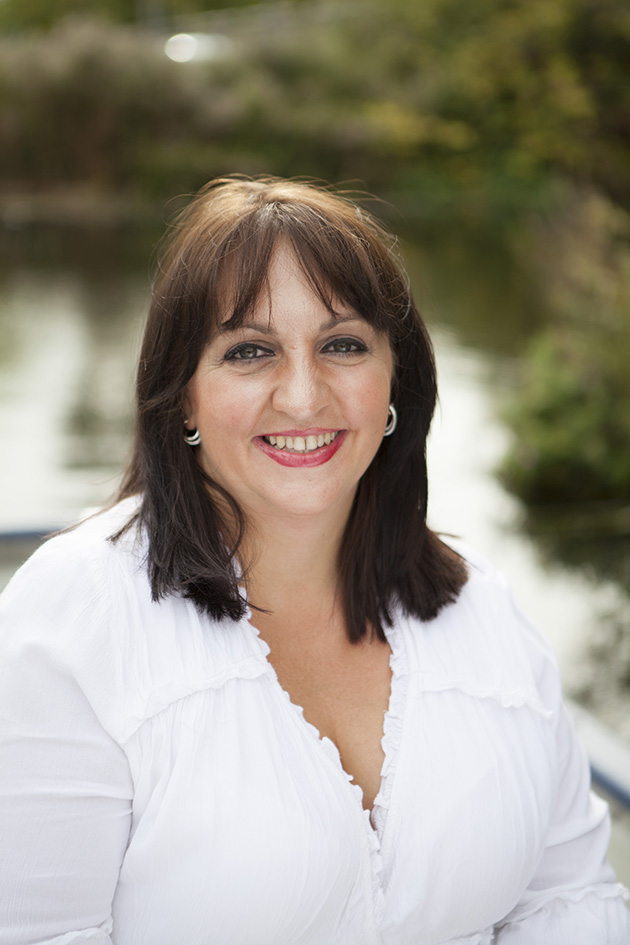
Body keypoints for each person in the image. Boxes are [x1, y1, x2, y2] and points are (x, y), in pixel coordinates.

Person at [0, 176, 628, 945]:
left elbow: (566, 898)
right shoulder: (71, 620)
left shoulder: (481, 611)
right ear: (184, 397)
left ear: (396, 378)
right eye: (250, 350)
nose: (302, 396)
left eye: (343, 344)